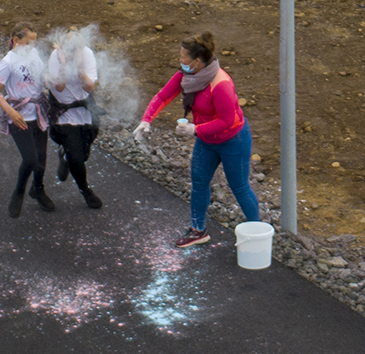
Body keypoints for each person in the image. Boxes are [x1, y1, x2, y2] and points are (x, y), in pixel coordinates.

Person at [134, 31, 261, 248]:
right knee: (199, 183)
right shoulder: (188, 76)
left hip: (233, 141)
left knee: (239, 186)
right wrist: (146, 120)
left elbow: (227, 121)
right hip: (207, 140)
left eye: (184, 57)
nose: (180, 61)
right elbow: (164, 96)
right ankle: (198, 230)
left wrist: (195, 129)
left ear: (198, 61)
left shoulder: (221, 84)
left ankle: (257, 235)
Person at [0, 23, 53, 217]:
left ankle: (38, 189)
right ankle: (19, 192)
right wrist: (10, 111)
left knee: (41, 158)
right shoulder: (8, 62)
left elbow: (39, 76)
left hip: (38, 113)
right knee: (30, 158)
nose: (32, 47)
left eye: (34, 43)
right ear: (16, 41)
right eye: (28, 43)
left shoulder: (33, 55)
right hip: (19, 116)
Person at [47, 28, 103, 209]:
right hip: (63, 111)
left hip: (84, 107)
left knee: (84, 151)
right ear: (63, 47)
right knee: (77, 158)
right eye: (71, 50)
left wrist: (79, 67)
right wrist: (64, 65)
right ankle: (85, 190)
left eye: (78, 50)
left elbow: (89, 87)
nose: (75, 53)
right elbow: (60, 87)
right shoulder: (55, 58)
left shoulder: (87, 54)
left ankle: (65, 156)